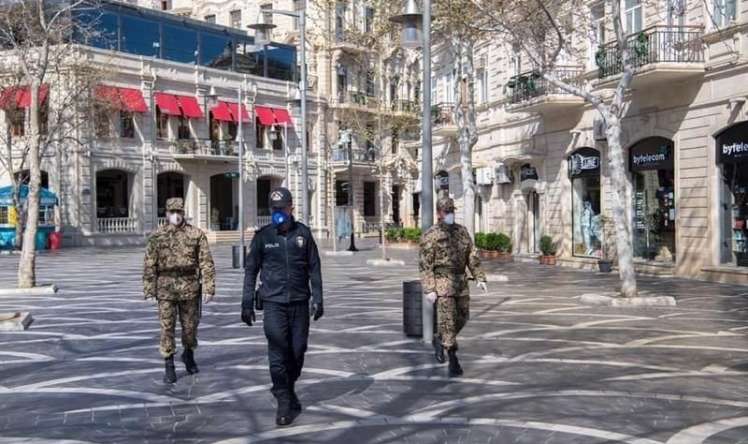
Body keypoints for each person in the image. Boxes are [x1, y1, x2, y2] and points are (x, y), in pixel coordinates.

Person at [241, 187, 323, 427]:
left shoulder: (304, 234)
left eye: (282, 209)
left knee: (297, 351)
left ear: (291, 208)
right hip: (273, 303)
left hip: (299, 302)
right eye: (274, 209)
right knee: (278, 352)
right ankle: (284, 400)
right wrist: (246, 302)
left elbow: (314, 268)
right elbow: (250, 271)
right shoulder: (263, 237)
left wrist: (318, 298)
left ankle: (288, 387)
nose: (278, 213)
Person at [143, 197, 216, 384]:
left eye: (179, 212)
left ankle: (188, 354)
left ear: (184, 213)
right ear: (166, 213)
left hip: (190, 287)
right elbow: (149, 264)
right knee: (167, 328)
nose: (176, 215)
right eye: (172, 212)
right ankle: (169, 364)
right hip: (165, 288)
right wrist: (149, 289)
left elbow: (206, 262)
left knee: (190, 328)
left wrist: (209, 287)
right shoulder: (157, 236)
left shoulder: (196, 234)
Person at [419, 196, 487, 377]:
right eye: (446, 211)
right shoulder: (431, 235)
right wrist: (430, 288)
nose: (450, 214)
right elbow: (425, 265)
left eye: (452, 211)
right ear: (439, 213)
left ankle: (441, 339)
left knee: (463, 317)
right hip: (442, 284)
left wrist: (480, 277)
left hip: (461, 283)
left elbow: (471, 256)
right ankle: (453, 359)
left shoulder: (462, 232)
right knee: (448, 321)